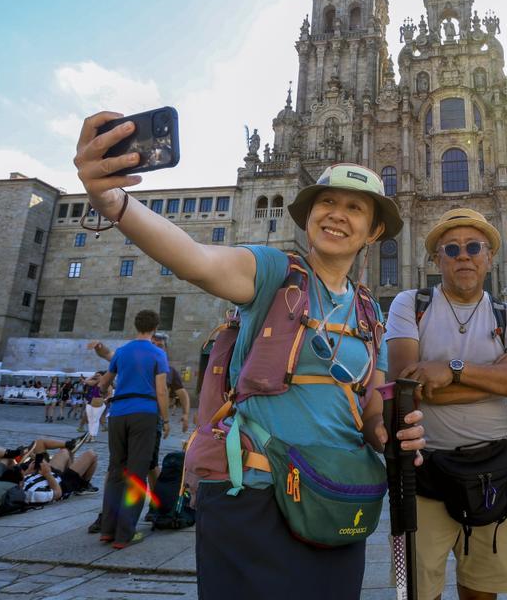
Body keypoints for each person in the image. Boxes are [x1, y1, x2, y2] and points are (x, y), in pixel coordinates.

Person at [74, 114, 423, 600]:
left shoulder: (370, 313)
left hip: (334, 495)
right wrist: (113, 201)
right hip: (255, 490)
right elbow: (196, 259)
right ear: (309, 216)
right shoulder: (273, 273)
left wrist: (397, 436)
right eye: (326, 202)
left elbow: (369, 417)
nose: (337, 214)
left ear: (373, 230)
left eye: (354, 208)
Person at [387, 208, 507, 600]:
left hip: (493, 474)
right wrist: (495, 380)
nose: (463, 255)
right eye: (451, 248)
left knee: (484, 590)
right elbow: (406, 385)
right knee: (415, 592)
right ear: (436, 259)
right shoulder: (409, 303)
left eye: (474, 247)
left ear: (489, 257)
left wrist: (451, 371)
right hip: (418, 475)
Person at [92, 309, 170, 548]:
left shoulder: (122, 352)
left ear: (135, 325)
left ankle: (107, 530)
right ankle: (125, 533)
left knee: (116, 470)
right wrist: (165, 419)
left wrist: (102, 396)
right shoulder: (158, 353)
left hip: (118, 414)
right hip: (144, 415)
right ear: (155, 328)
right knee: (136, 474)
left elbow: (103, 383)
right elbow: (161, 390)